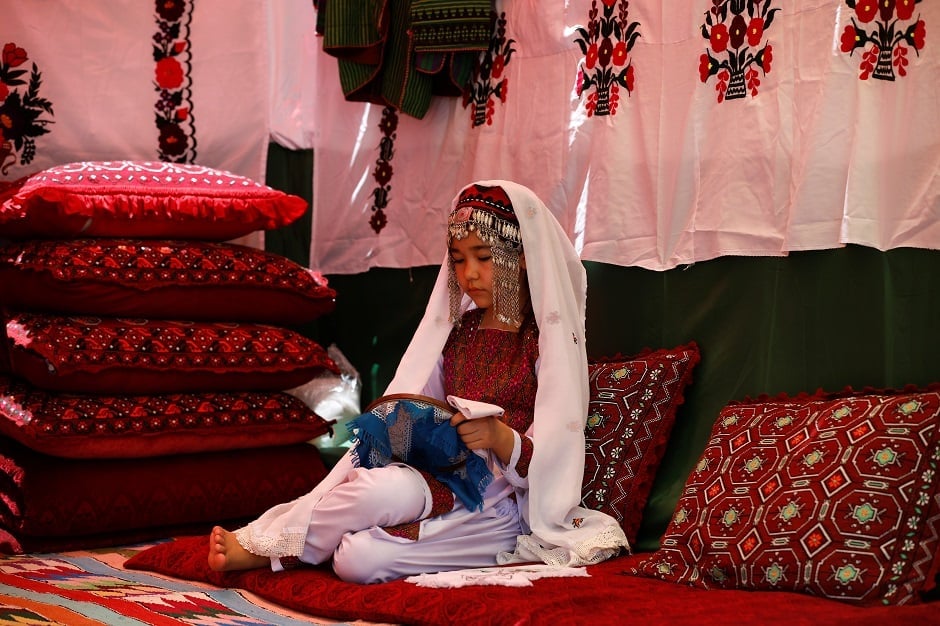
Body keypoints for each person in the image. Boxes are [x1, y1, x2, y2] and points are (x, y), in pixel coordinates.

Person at [208, 180, 629, 583]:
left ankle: (314, 544)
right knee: (375, 489)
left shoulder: (544, 340)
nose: (469, 274)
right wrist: (407, 428)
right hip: (434, 476)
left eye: (483, 257)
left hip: (500, 506)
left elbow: (556, 457)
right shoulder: (459, 331)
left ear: (521, 257)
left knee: (358, 560)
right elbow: (417, 402)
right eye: (459, 259)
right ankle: (279, 550)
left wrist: (500, 437)